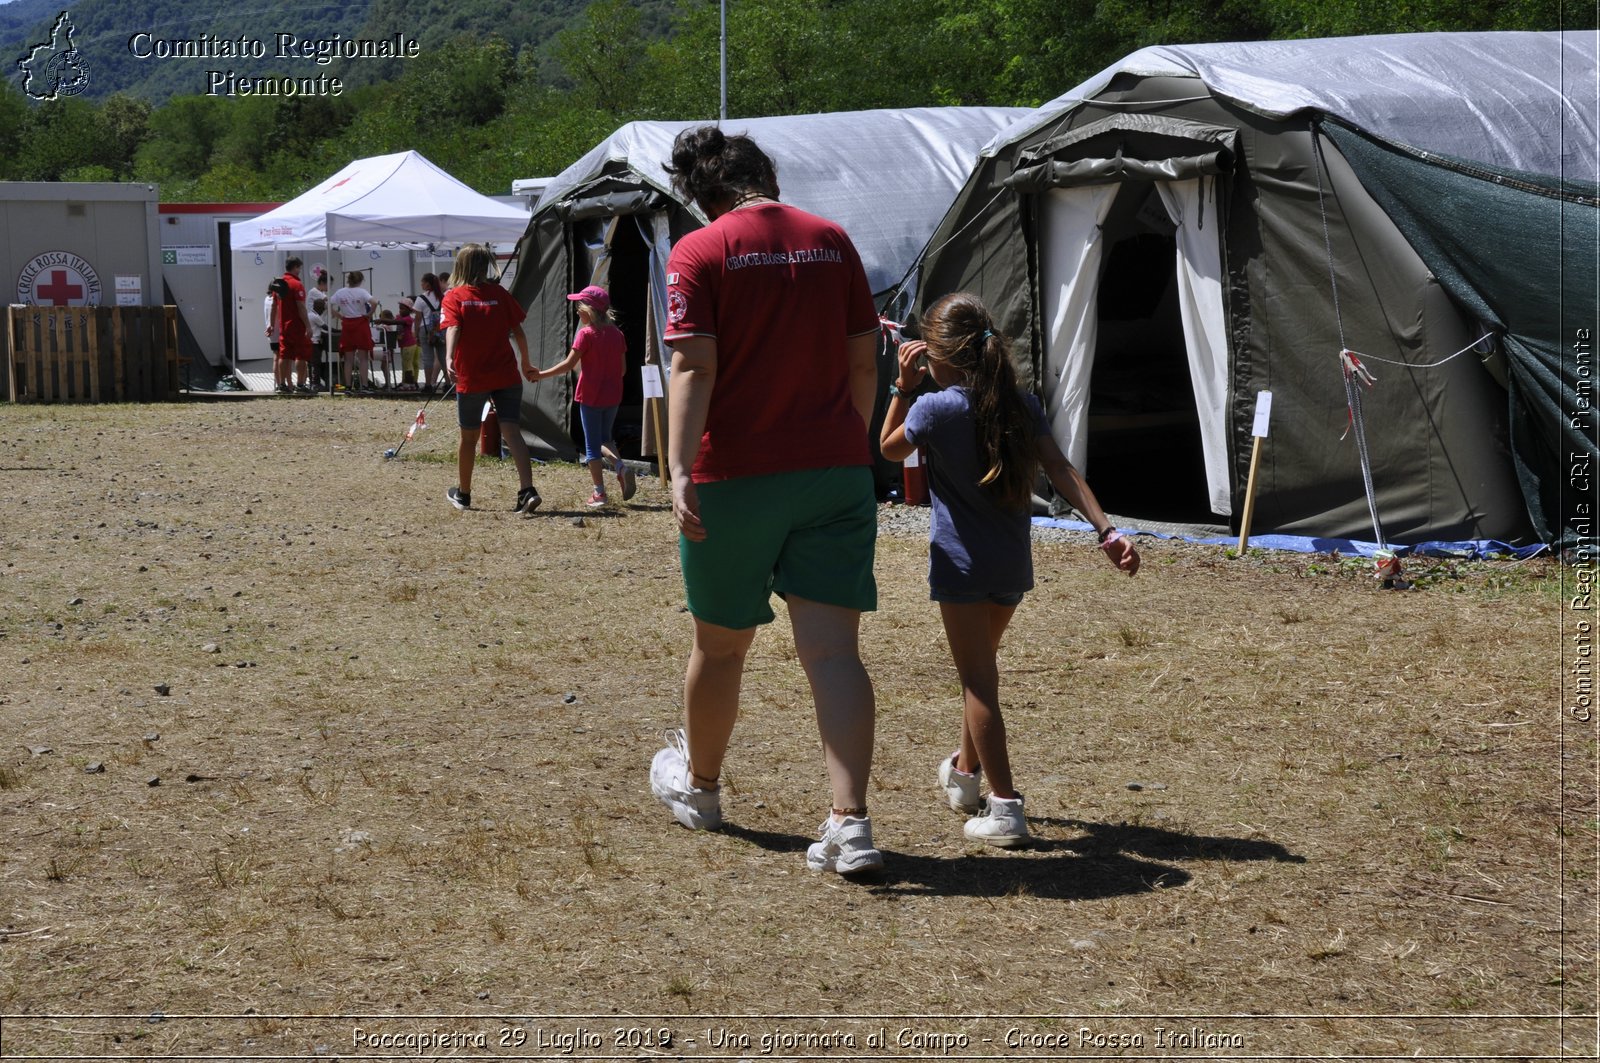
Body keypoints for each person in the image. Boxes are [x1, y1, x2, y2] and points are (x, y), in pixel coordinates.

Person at [648, 126, 883, 877]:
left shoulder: (700, 250)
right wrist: (852, 435)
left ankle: (703, 787)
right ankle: (850, 823)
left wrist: (679, 467)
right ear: (764, 176)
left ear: (704, 194)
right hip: (834, 470)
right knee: (835, 652)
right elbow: (862, 353)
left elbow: (693, 365)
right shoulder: (833, 241)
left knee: (720, 647)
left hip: (735, 476)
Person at [879, 291, 1141, 847]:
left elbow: (887, 450)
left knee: (978, 680)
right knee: (983, 671)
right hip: (1010, 565)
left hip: (961, 568)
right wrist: (1106, 530)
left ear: (940, 354)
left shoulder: (934, 406)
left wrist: (902, 388)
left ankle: (1006, 807)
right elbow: (1061, 468)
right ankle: (966, 774)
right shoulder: (1021, 402)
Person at [440, 243, 542, 515]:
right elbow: (518, 331)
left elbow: (453, 327)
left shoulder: (455, 296)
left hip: (472, 376)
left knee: (469, 437)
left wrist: (449, 357)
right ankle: (527, 490)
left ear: (460, 266)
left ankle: (463, 493)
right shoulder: (499, 293)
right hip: (507, 374)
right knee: (512, 431)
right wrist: (526, 363)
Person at [533, 284, 635, 507]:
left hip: (590, 395)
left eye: (579, 306)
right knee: (606, 438)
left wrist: (541, 375)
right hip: (613, 395)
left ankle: (601, 490)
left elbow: (568, 365)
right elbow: (623, 370)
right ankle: (621, 469)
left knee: (591, 445)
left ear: (589, 310)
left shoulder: (586, 334)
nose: (577, 310)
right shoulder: (617, 334)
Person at [272, 258, 314, 395]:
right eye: (299, 268)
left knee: (284, 355)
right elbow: (301, 306)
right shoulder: (296, 284)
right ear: (295, 267)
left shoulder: (278, 283)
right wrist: (308, 326)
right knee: (300, 355)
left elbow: (274, 306)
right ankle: (300, 385)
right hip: (296, 325)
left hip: (284, 325)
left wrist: (272, 324)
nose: (300, 271)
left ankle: (282, 385)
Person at [330, 271, 375, 392]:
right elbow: (374, 302)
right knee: (363, 358)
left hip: (347, 324)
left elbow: (327, 304)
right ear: (360, 281)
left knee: (348, 358)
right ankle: (364, 385)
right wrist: (369, 314)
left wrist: (339, 315)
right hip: (360, 323)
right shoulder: (362, 292)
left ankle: (348, 386)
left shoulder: (340, 292)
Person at [414, 273, 448, 394]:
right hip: (441, 328)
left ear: (428, 284)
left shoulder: (421, 298)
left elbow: (418, 318)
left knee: (428, 357)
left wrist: (415, 332)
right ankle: (448, 384)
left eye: (422, 282)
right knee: (444, 357)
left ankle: (428, 385)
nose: (421, 284)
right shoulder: (443, 297)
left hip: (425, 329)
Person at [396, 298, 420, 391]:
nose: (400, 310)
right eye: (399, 308)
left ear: (409, 310)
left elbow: (397, 322)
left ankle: (408, 384)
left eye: (403, 309)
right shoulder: (401, 317)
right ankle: (411, 382)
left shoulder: (408, 319)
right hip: (407, 344)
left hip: (408, 344)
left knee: (408, 364)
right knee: (409, 363)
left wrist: (384, 320)